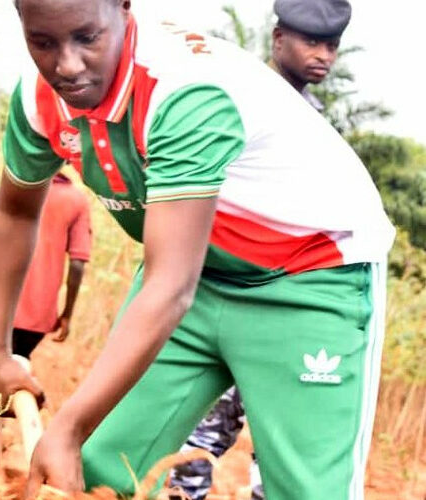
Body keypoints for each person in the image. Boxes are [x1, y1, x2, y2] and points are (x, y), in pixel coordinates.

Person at [0, 1, 394, 500]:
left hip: (309, 276)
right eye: (42, 42)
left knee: (307, 492)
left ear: (125, 8)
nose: (65, 65)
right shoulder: (38, 99)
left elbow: (169, 287)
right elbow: (16, 213)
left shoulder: (183, 90)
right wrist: (0, 354)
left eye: (87, 38)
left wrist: (66, 427)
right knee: (99, 474)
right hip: (194, 277)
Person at [169, 1, 352, 498]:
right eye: (310, 42)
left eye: (330, 45)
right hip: (222, 292)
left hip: (289, 305)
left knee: (279, 448)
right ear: (277, 40)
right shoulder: (235, 98)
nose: (323, 55)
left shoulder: (321, 126)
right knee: (197, 441)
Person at [0, 172, 91, 462]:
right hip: (39, 311)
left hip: (1, 304)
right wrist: (67, 314)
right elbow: (77, 264)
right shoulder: (76, 200)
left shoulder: (20, 185)